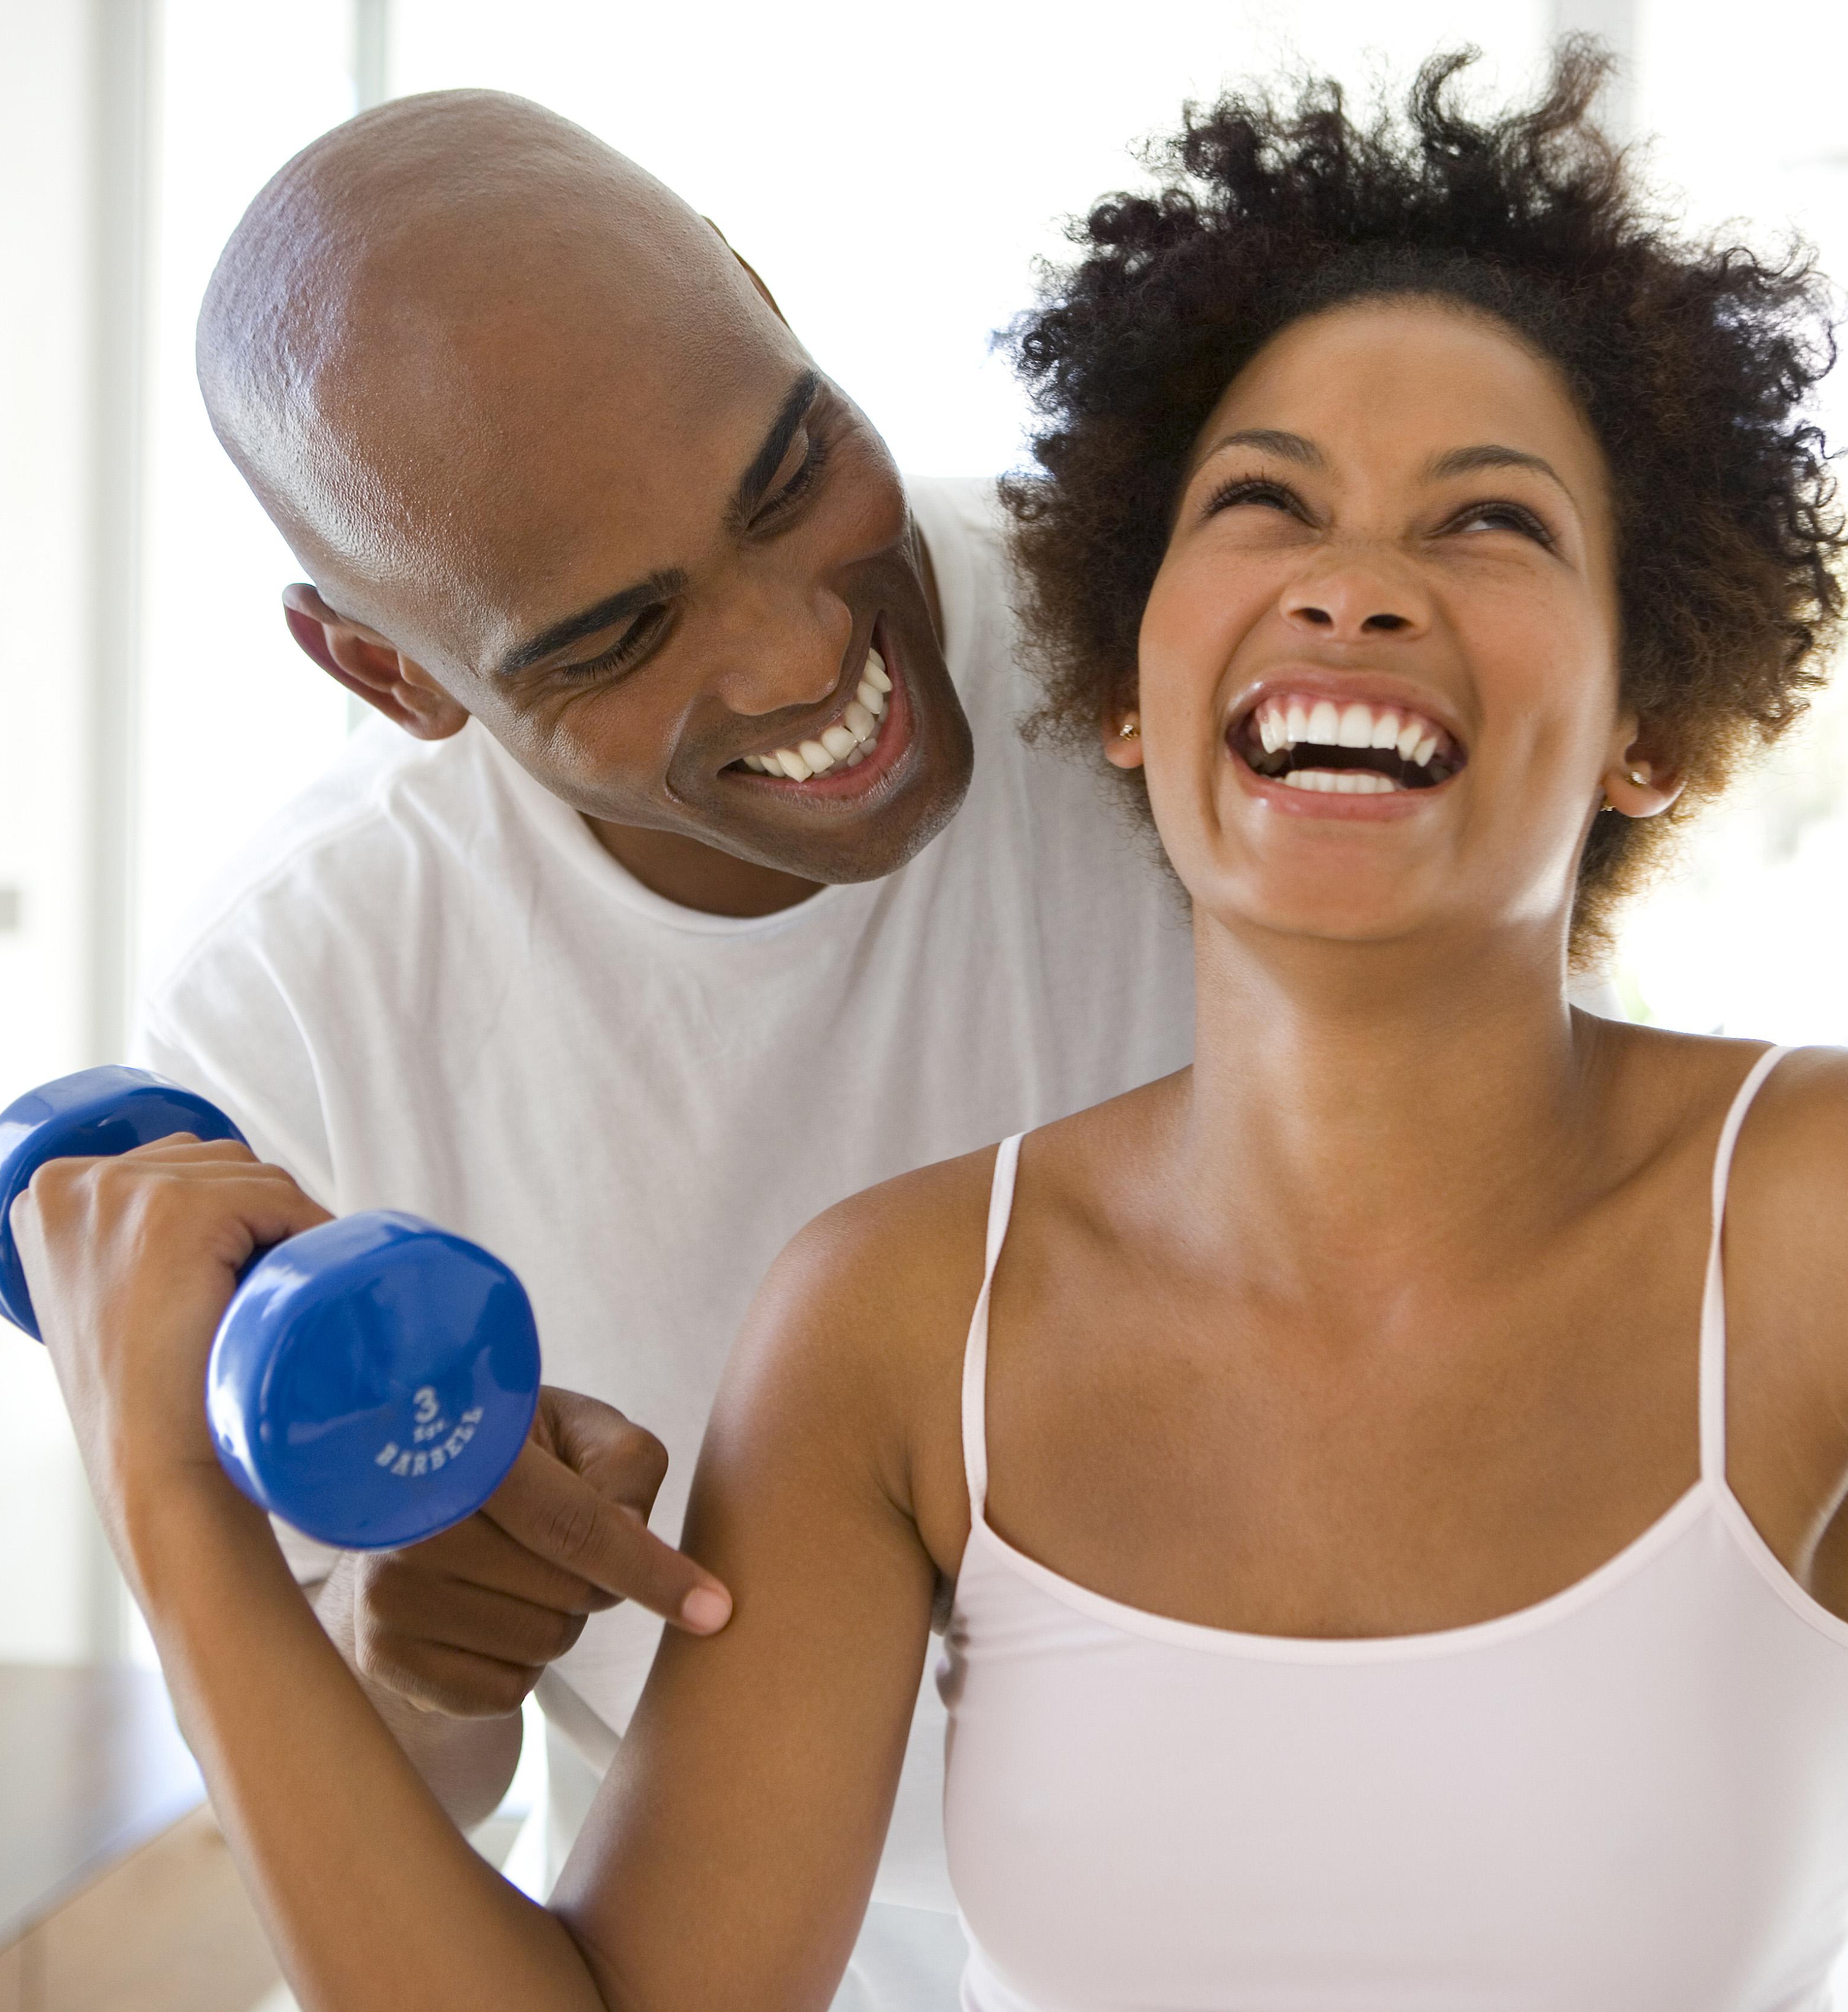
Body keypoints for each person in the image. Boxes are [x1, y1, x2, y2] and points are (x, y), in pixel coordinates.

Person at [24, 45, 1848, 2011]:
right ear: (1130, 685)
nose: (808, 655)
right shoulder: (864, 1305)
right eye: (1261, 508)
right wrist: (198, 1530)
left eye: (1484, 522)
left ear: (1651, 721)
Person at [150, 83, 1200, 2001]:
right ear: (389, 671)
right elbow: (393, 1812)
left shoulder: (1170, 645)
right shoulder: (293, 1008)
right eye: (616, 636)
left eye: (792, 475)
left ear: (761, 289)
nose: (805, 657)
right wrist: (417, 1652)